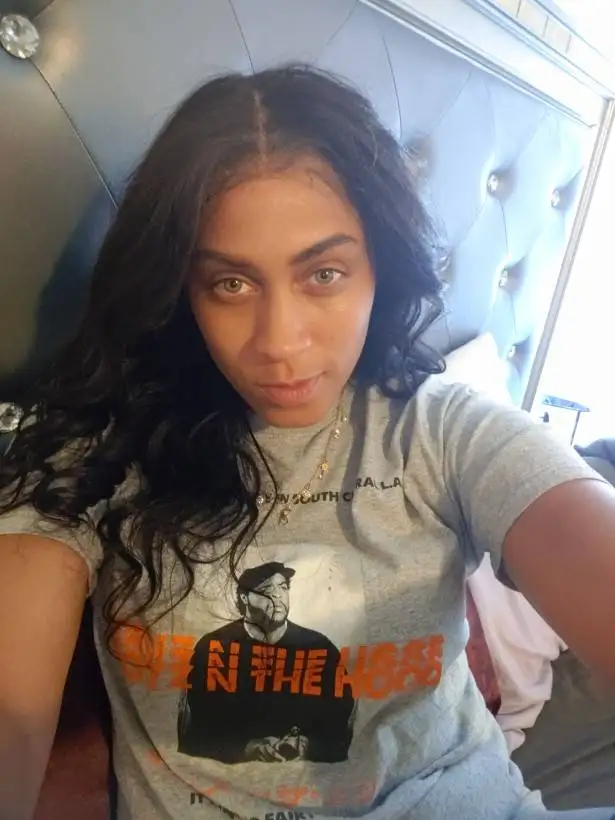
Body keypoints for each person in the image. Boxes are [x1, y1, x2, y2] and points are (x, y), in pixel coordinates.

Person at [0, 65, 614, 820]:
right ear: (181, 289)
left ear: (379, 268)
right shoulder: (94, 452)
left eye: (323, 273)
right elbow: (12, 713)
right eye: (231, 284)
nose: (280, 343)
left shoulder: (447, 430)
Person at [177, 561, 356, 763]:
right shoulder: (215, 647)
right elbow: (200, 725)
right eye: (267, 590)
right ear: (244, 598)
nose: (278, 596)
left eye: (283, 587)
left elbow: (341, 722)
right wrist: (247, 748)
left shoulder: (320, 647)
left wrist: (308, 746)